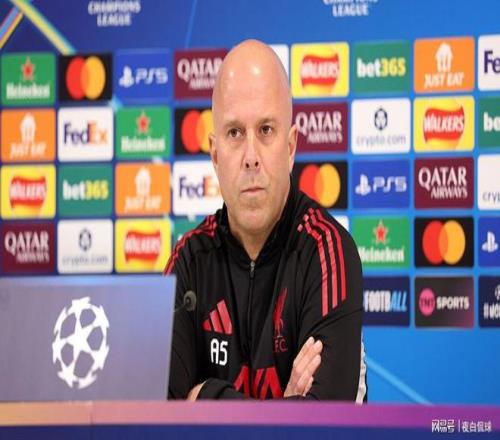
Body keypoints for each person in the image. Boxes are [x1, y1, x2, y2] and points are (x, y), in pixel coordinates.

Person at [166, 39, 366, 401]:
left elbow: (325, 423)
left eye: (266, 130)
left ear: (290, 148)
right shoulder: (189, 262)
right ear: (215, 154)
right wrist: (284, 410)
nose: (251, 157)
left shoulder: (328, 253)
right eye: (234, 133)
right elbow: (153, 414)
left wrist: (205, 396)